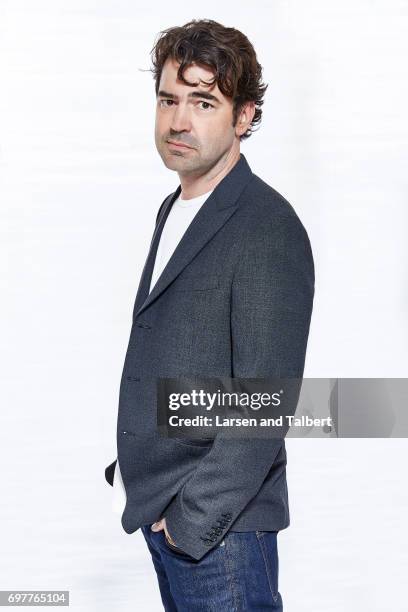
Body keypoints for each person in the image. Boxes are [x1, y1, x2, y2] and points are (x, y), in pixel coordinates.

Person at [105, 18, 315, 611]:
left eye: (204, 101)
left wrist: (192, 520)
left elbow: (268, 399)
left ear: (243, 117)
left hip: (221, 533)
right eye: (169, 99)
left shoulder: (266, 226)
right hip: (168, 513)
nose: (178, 121)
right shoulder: (175, 207)